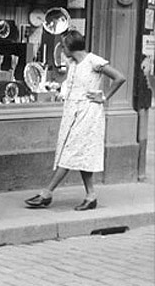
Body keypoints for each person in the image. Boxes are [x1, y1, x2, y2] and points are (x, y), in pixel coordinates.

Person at [24, 30, 126, 210]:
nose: (62, 49)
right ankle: (91, 195)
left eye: (63, 46)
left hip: (88, 113)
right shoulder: (72, 63)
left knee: (70, 152)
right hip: (72, 112)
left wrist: (104, 97)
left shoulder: (93, 60)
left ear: (71, 47)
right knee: (81, 154)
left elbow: (120, 77)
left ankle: (46, 193)